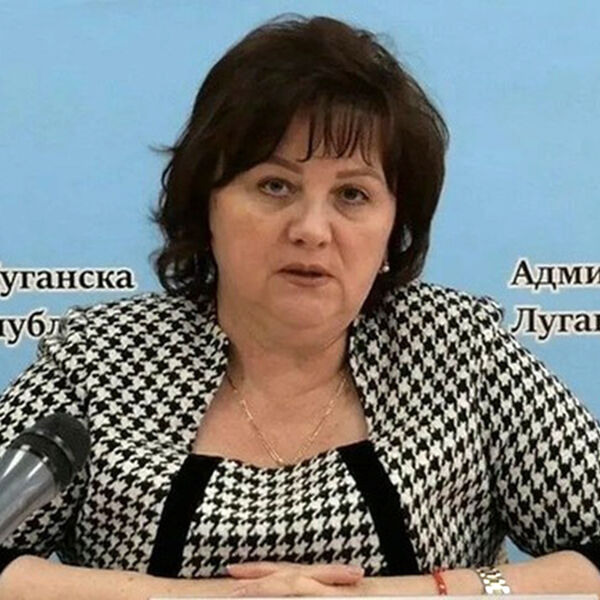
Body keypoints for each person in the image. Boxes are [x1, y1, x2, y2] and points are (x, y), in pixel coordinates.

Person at [0, 14, 599, 599]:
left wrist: (406, 595)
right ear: (207, 205)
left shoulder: (458, 349)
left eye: (352, 194)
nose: (312, 229)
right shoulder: (101, 362)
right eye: (275, 186)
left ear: (394, 228)